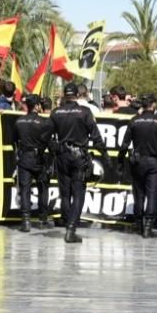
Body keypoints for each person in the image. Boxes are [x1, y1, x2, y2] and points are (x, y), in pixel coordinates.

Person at [51, 82, 109, 244]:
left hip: (62, 156)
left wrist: (55, 148)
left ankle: (68, 224)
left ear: (64, 94)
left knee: (65, 194)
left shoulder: (56, 112)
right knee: (78, 193)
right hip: (79, 158)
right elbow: (96, 137)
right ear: (77, 95)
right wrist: (105, 156)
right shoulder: (84, 112)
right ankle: (71, 229)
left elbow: (47, 135)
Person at [119, 95, 157, 238]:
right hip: (154, 162)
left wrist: (120, 161)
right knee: (152, 193)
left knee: (138, 193)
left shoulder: (134, 121)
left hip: (137, 161)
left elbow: (125, 144)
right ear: (153, 105)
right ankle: (148, 227)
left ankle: (139, 224)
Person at [12, 94, 55, 232]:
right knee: (43, 188)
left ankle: (26, 221)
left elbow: (13, 141)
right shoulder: (44, 122)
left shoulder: (19, 121)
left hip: (24, 158)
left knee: (25, 190)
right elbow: (49, 143)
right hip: (39, 159)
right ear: (36, 106)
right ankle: (42, 220)